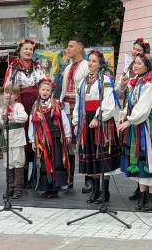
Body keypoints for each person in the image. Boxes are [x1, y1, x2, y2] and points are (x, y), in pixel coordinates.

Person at [117, 53, 152, 211]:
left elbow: (143, 107)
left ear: (147, 66)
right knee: (139, 159)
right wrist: (124, 114)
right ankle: (143, 195)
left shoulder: (149, 84)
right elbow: (132, 102)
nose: (135, 66)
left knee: (149, 159)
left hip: (147, 126)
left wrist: (129, 121)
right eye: (134, 63)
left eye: (139, 63)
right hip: (137, 124)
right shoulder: (137, 82)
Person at [73, 49, 121, 203]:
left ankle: (105, 192)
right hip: (86, 118)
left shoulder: (105, 79)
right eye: (90, 60)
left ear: (100, 64)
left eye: (94, 61)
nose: (91, 63)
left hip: (101, 119)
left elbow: (108, 101)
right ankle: (95, 190)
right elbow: (79, 103)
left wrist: (97, 118)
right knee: (91, 154)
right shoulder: (83, 81)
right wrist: (76, 122)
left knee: (102, 155)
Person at [3, 38, 44, 188]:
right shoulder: (13, 68)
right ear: (19, 51)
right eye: (25, 49)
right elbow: (8, 88)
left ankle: (36, 176)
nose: (28, 52)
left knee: (36, 138)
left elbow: (45, 83)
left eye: (31, 50)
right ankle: (22, 177)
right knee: (23, 139)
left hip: (35, 104)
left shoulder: (38, 67)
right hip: (21, 104)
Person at [28, 78, 72, 198]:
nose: (45, 92)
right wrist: (32, 140)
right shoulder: (36, 106)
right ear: (39, 90)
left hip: (55, 137)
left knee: (55, 160)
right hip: (41, 139)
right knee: (44, 162)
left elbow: (63, 119)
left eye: (48, 90)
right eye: (43, 89)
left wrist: (67, 134)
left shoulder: (56, 103)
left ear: (51, 91)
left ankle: (54, 188)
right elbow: (31, 123)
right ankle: (46, 187)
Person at [60, 37, 89, 191]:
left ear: (79, 49)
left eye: (71, 46)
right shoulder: (67, 67)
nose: (68, 48)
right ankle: (69, 178)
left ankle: (89, 179)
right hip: (66, 108)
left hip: (80, 108)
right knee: (69, 143)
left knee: (83, 143)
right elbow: (64, 90)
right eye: (68, 46)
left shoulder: (85, 66)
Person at [0, 83, 29, 199]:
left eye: (11, 93)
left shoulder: (18, 107)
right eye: (6, 92)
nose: (8, 95)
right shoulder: (2, 109)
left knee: (18, 162)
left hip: (17, 139)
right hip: (7, 140)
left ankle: (18, 188)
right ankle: (10, 187)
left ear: (17, 95)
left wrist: (13, 118)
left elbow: (25, 117)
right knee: (8, 163)